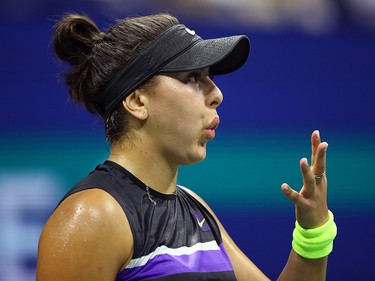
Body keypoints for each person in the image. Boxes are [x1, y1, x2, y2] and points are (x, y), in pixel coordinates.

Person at [36, 12, 337, 281]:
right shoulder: (92, 216)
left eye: (210, 77)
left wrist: (313, 234)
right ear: (137, 101)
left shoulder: (196, 209)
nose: (216, 94)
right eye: (193, 77)